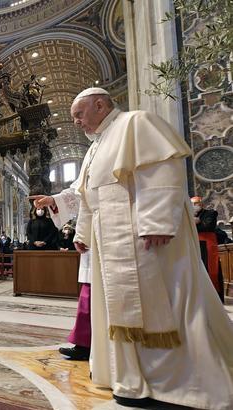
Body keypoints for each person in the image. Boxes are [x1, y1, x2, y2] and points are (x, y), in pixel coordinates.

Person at [70, 87, 233, 408]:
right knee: (116, 306)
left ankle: (173, 381)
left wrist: (157, 221)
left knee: (162, 303)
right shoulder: (96, 147)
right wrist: (82, 231)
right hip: (110, 239)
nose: (76, 122)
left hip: (145, 236)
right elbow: (91, 197)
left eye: (79, 114)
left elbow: (162, 171)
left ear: (100, 105)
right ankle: (124, 374)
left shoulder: (135, 123)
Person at [30, 183, 92, 361]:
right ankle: (84, 342)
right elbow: (79, 193)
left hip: (116, 229)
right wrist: (53, 200)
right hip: (92, 233)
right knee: (88, 294)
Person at [192, 196, 224, 301]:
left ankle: (214, 297)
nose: (194, 206)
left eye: (196, 204)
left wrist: (196, 223)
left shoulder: (210, 213)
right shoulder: (189, 216)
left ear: (201, 204)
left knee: (210, 269)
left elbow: (208, 226)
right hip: (194, 244)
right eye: (192, 204)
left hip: (207, 244)